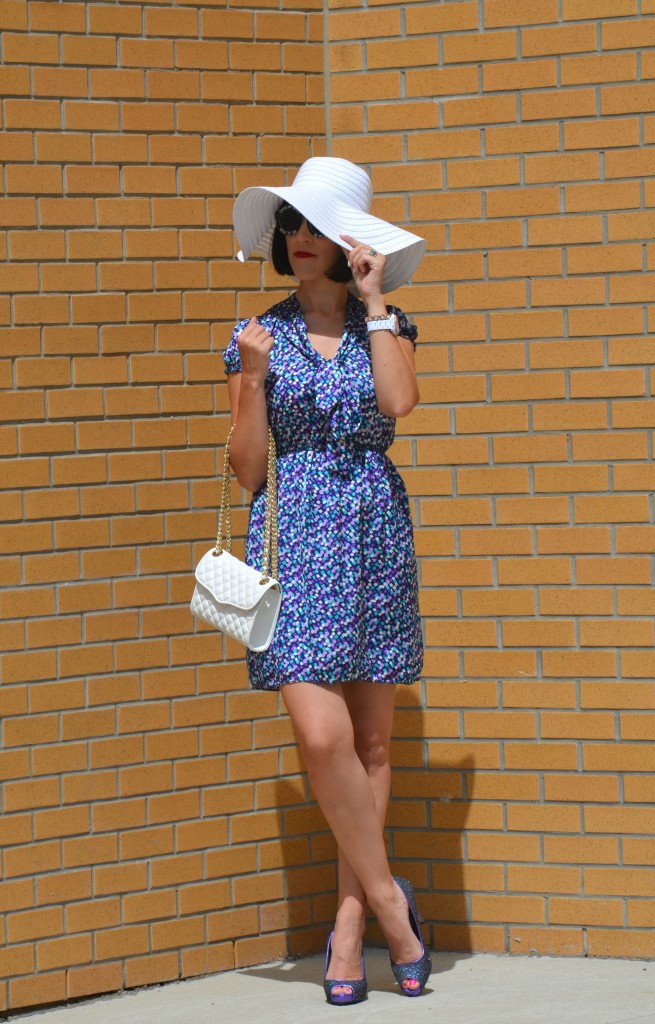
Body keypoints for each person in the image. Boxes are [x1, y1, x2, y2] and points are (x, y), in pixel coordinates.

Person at [223, 157, 431, 1003]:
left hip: (374, 528)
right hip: (292, 533)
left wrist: (377, 308)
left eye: (317, 228)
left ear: (350, 245)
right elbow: (244, 472)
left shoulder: (390, 323)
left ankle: (347, 929)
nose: (300, 241)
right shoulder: (253, 332)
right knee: (321, 737)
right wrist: (252, 379)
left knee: (374, 744)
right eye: (291, 227)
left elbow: (398, 405)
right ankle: (389, 902)